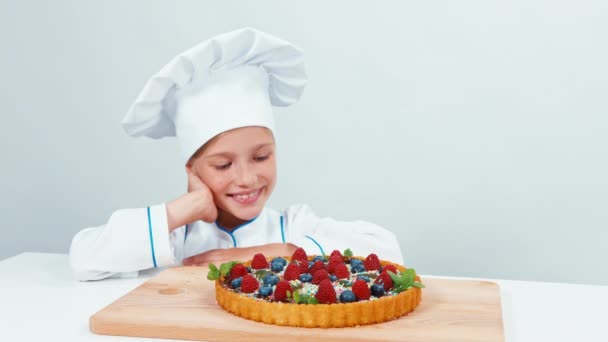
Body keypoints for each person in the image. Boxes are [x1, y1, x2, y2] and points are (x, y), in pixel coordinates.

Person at [69, 27, 403, 281]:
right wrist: (183, 209)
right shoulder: (177, 238)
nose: (246, 178)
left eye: (261, 157)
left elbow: (389, 251)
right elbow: (84, 257)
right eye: (223, 164)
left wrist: (279, 253)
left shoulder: (293, 226)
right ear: (193, 170)